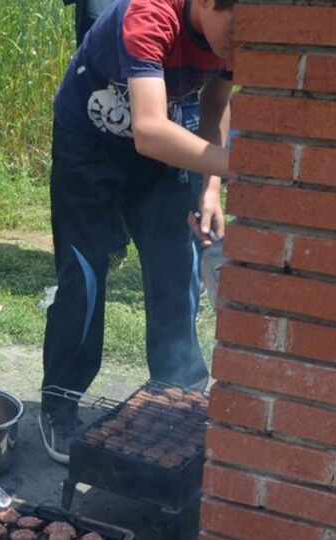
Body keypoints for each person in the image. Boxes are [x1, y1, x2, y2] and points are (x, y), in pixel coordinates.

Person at [40, 0, 236, 464]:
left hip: (166, 147)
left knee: (175, 266)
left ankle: (178, 398)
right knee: (84, 276)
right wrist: (240, 167)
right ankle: (60, 403)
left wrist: (211, 189)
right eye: (238, 25)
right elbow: (149, 129)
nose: (243, 41)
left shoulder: (235, 36)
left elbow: (214, 105)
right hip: (90, 144)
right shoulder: (150, 15)